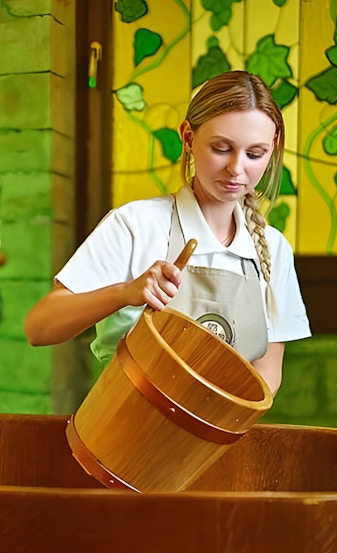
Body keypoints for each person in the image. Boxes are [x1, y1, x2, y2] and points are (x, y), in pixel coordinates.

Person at [24, 70, 310, 395]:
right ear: (188, 136)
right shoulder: (136, 224)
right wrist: (125, 293)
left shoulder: (274, 249)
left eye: (255, 154)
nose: (237, 168)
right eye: (221, 148)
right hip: (123, 430)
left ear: (272, 149)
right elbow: (40, 328)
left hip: (219, 436)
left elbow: (266, 377)